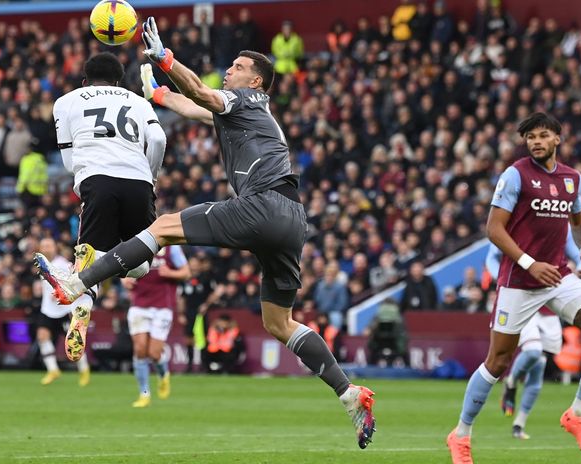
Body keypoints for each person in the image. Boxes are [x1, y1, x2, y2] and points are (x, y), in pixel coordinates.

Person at [34, 17, 376, 449]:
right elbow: (194, 106)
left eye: (236, 65)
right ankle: (349, 394)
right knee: (279, 322)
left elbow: (200, 91)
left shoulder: (248, 98)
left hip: (262, 205)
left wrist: (164, 58)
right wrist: (157, 93)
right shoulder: (245, 111)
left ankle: (77, 282)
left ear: (256, 80)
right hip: (291, 219)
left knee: (161, 227)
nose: (229, 69)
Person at [447, 113, 581, 463]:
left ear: (558, 138)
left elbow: (578, 220)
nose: (536, 142)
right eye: (530, 137)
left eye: (543, 135)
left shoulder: (573, 179)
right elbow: (494, 229)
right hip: (520, 281)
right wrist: (529, 263)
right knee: (497, 362)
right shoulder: (515, 175)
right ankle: (461, 435)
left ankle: (578, 415)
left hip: (557, 276)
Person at [51, 51, 167, 363]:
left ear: (84, 80)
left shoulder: (66, 101)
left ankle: (85, 301)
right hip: (138, 182)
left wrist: (85, 176)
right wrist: (151, 177)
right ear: (119, 80)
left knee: (88, 256)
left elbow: (67, 162)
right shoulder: (138, 102)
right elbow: (157, 139)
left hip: (96, 182)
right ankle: (105, 264)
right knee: (141, 267)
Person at [485, 228, 581, 440]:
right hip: (521, 296)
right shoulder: (517, 220)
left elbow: (571, 248)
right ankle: (511, 381)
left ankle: (519, 424)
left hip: (549, 302)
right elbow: (492, 256)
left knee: (538, 366)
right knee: (533, 351)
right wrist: (502, 276)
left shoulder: (556, 218)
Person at [126, 245, 190, 407]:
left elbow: (186, 272)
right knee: (140, 350)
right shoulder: (137, 245)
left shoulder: (171, 249)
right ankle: (144, 393)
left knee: (154, 354)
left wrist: (171, 273)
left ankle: (163, 375)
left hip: (162, 307)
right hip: (139, 305)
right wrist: (124, 279)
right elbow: (121, 268)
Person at [35, 238, 91, 387]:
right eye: (43, 246)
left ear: (55, 247)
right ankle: (53, 370)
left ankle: (84, 370)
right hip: (48, 309)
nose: (46, 249)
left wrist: (61, 293)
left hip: (65, 309)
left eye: (49, 245)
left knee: (74, 340)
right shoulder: (41, 263)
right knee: (42, 336)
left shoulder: (63, 264)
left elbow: (75, 283)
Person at [179, 255, 218, 372]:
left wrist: (206, 305)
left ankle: (203, 365)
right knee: (188, 338)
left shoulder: (206, 277)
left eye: (196, 263)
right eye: (192, 262)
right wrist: (181, 313)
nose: (194, 265)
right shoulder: (185, 278)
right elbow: (181, 297)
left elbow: (214, 293)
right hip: (189, 312)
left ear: (200, 265)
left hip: (201, 313)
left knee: (202, 338)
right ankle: (189, 365)